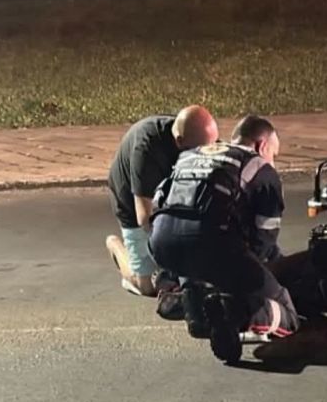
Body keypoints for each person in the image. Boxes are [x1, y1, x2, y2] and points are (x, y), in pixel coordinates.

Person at [148, 115, 298, 364]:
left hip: (163, 245)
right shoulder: (260, 167)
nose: (273, 160)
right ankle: (237, 313)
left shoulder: (192, 155)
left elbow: (160, 204)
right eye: (274, 153)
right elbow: (264, 241)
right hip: (212, 245)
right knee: (287, 313)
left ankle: (192, 303)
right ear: (262, 146)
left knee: (197, 259)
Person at [105, 107, 218, 297]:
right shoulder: (147, 149)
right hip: (131, 200)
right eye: (199, 151)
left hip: (167, 189)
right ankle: (117, 247)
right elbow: (144, 217)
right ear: (179, 141)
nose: (205, 156)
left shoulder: (203, 140)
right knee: (149, 287)